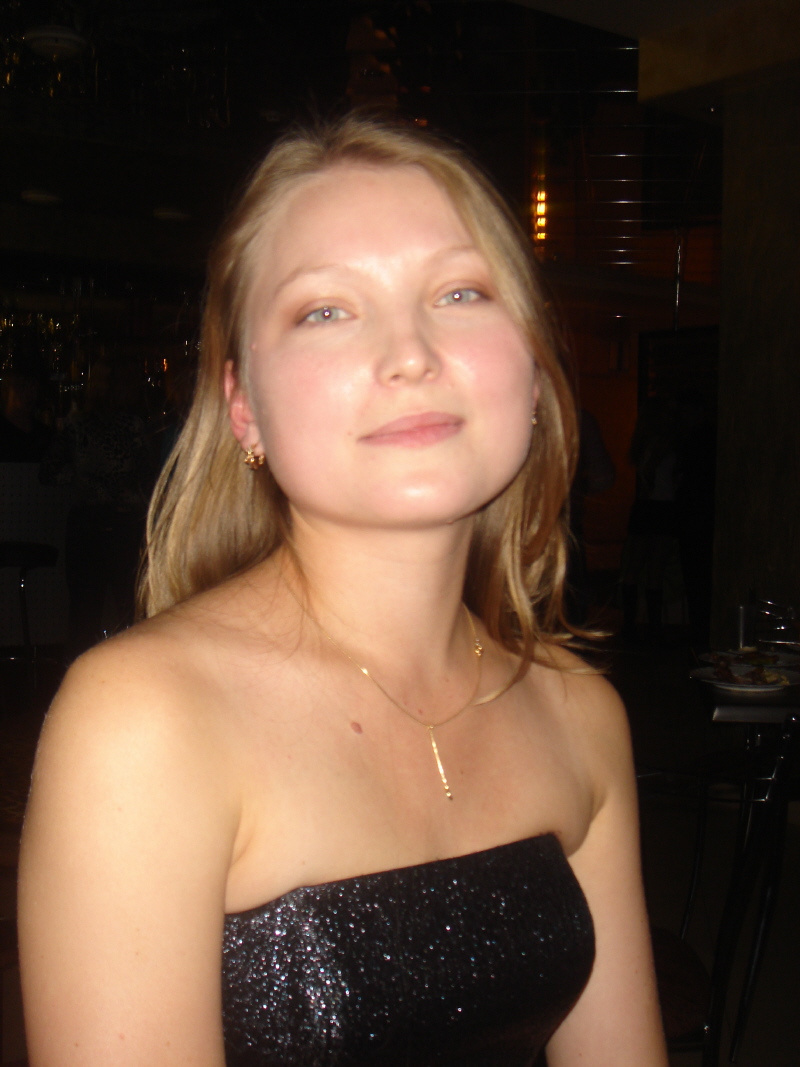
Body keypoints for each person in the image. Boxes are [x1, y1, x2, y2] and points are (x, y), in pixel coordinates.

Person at [18, 115, 667, 1067]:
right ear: (244, 407)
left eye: (460, 291)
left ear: (533, 370)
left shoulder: (581, 715)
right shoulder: (146, 721)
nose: (410, 353)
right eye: (325, 309)